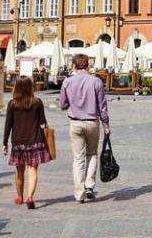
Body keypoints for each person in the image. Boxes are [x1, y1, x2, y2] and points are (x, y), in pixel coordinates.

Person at [58, 54, 110, 203]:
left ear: (74, 66)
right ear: (87, 65)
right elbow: (102, 107)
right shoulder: (96, 81)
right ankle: (89, 186)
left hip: (75, 123)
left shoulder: (68, 82)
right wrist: (106, 124)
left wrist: (72, 103)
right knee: (92, 154)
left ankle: (79, 193)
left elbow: (62, 105)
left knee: (78, 158)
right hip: (92, 122)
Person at [3, 76, 51, 209]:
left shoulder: (12, 104)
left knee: (19, 171)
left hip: (18, 142)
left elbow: (8, 124)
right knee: (32, 170)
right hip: (35, 140)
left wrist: (5, 142)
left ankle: (20, 197)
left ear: (16, 87)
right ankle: (30, 196)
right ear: (31, 87)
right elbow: (42, 121)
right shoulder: (37, 102)